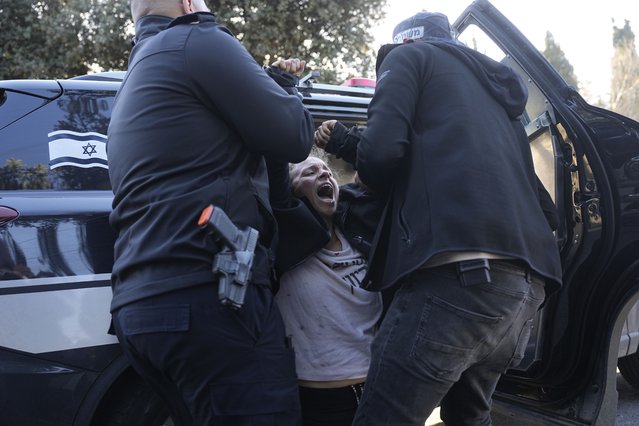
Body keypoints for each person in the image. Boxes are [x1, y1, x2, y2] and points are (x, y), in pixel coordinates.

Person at [330, 11, 563, 426]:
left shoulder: (407, 58)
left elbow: (382, 156)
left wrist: (354, 159)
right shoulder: (499, 103)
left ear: (404, 44)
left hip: (457, 284)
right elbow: (547, 209)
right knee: (469, 417)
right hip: (524, 294)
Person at [106, 0, 315, 424]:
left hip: (139, 311)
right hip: (212, 299)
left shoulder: (135, 77)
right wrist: (281, 89)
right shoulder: (197, 38)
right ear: (187, 3)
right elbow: (294, 136)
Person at [266, 153, 383, 426]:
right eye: (308, 173)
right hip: (322, 404)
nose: (324, 175)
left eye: (327, 171)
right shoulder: (284, 242)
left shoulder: (359, 237)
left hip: (381, 391)